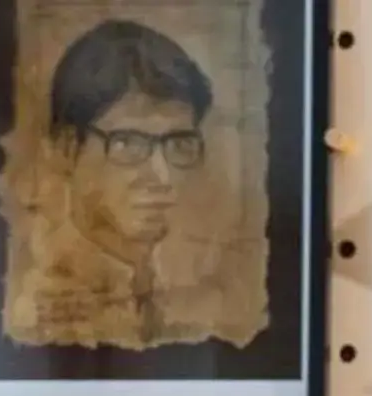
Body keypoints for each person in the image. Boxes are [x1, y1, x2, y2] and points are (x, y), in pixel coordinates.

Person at [19, 20, 222, 349]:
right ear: (67, 149)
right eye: (128, 143)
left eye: (178, 142)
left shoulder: (183, 296)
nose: (163, 175)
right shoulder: (35, 308)